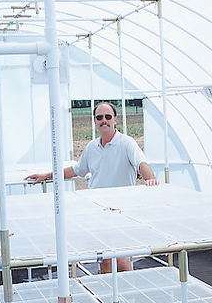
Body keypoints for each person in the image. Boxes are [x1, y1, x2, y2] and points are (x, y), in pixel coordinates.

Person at [25, 101, 159, 273]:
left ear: (115, 120)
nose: (104, 120)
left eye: (108, 117)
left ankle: (128, 297)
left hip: (122, 210)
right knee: (104, 261)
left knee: (123, 261)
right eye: (100, 117)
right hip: (98, 210)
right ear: (95, 121)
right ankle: (107, 298)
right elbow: (77, 170)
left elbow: (141, 163)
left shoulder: (127, 143)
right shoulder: (91, 147)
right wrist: (48, 175)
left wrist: (151, 180)